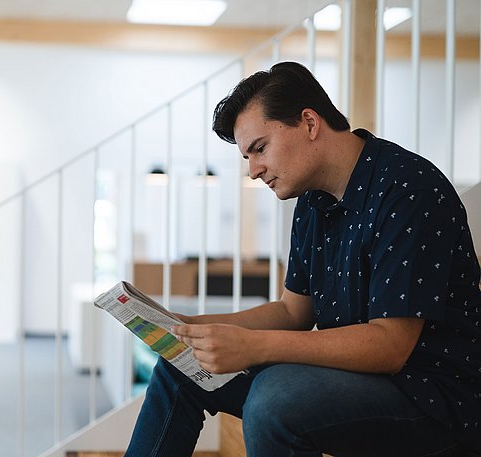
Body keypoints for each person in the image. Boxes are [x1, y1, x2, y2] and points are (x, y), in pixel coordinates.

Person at [124, 61, 481, 457]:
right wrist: (189, 328)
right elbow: (294, 312)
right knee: (182, 367)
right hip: (360, 377)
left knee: (275, 400)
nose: (255, 170)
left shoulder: (408, 189)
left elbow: (390, 346)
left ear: (309, 123)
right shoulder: (313, 200)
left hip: (431, 398)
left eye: (260, 149)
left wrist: (254, 346)